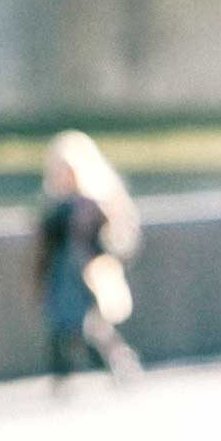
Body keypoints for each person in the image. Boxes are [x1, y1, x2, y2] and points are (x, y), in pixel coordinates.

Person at [33, 130, 142, 389]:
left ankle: (119, 363)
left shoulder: (95, 204)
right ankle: (61, 376)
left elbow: (116, 238)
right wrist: (39, 277)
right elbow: (44, 245)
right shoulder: (55, 206)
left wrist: (106, 260)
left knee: (92, 326)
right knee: (61, 326)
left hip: (89, 274)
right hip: (63, 274)